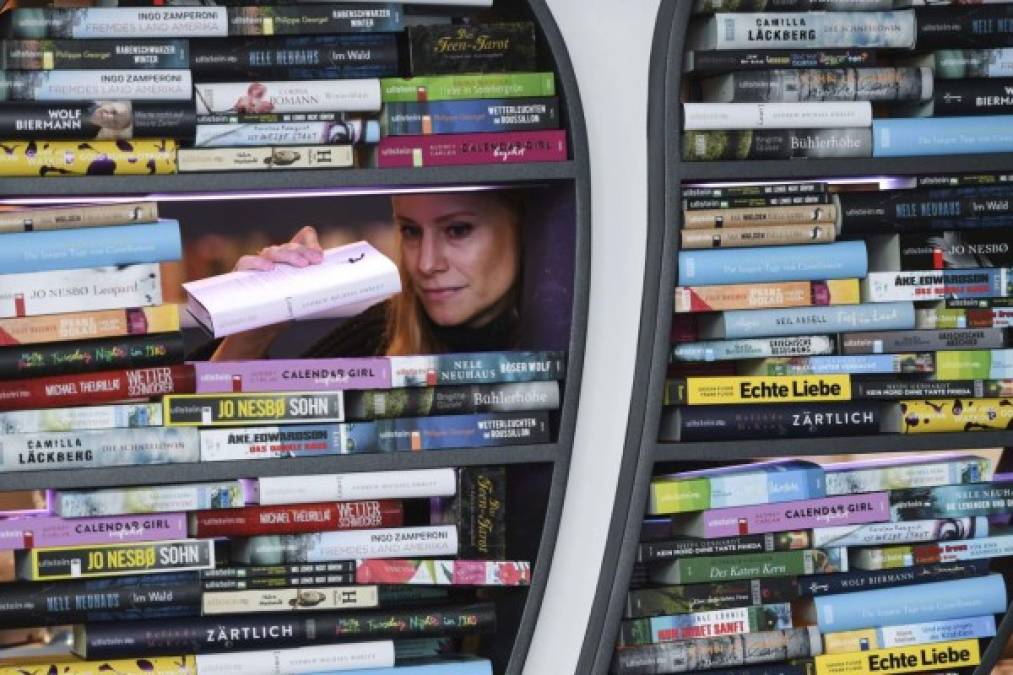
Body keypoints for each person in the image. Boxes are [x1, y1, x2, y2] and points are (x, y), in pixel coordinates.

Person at [211, 191, 524, 360]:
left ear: (522, 227)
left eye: (458, 230)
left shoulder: (566, 333)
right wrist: (248, 340)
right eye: (411, 231)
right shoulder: (377, 335)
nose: (426, 264)